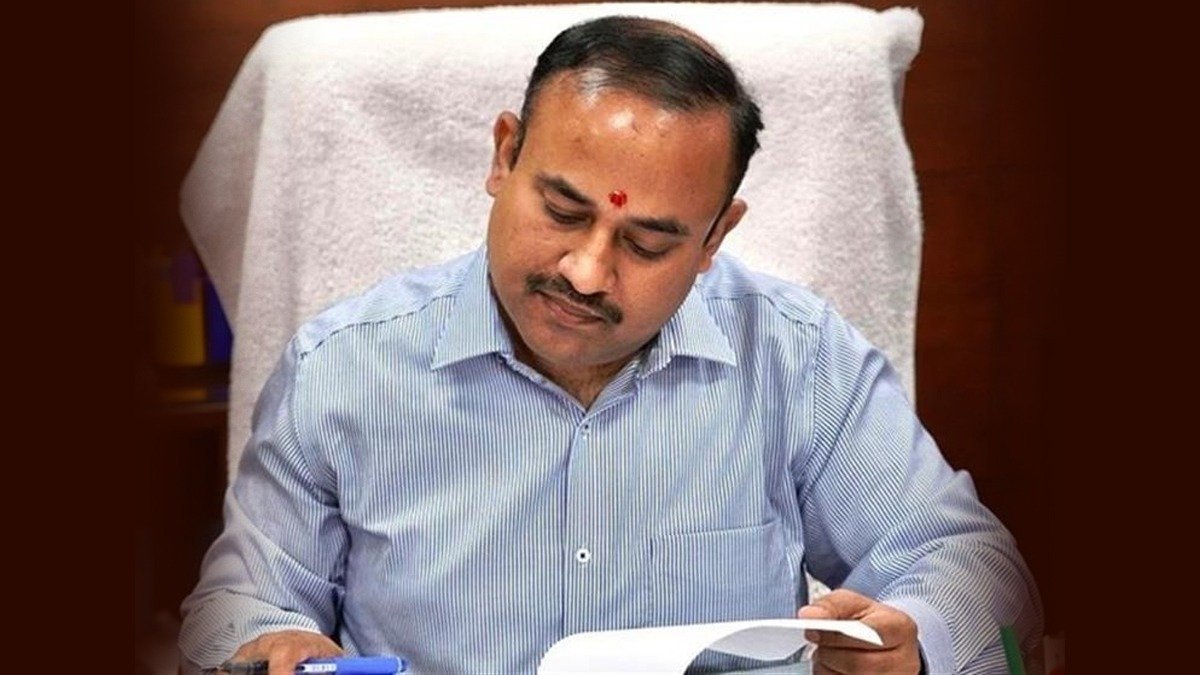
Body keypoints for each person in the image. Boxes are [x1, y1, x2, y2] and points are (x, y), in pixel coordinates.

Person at [179, 16, 1042, 675]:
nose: (587, 272)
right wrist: (265, 642)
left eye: (649, 242)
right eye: (563, 210)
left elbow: (974, 566)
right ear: (505, 155)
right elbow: (240, 600)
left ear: (715, 237)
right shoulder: (342, 368)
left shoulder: (797, 358)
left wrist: (917, 643)